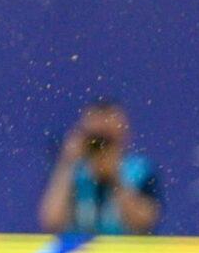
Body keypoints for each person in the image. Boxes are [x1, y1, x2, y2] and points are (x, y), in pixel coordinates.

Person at [40, 101, 162, 235]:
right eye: (96, 139)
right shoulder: (74, 170)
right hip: (81, 252)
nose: (102, 147)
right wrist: (67, 164)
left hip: (124, 252)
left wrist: (116, 179)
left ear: (123, 136)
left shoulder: (139, 170)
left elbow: (145, 222)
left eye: (108, 140)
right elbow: (52, 221)